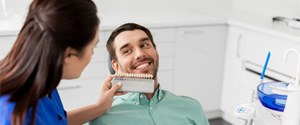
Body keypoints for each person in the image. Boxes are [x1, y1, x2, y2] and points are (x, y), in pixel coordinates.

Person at [0, 0, 122, 125]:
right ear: (69, 54)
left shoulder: (44, 83)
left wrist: (100, 107)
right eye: (92, 48)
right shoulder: (15, 114)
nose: (92, 54)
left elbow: (58, 121)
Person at [90, 23, 210, 125]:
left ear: (156, 53)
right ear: (116, 66)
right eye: (127, 51)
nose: (139, 54)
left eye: (144, 45)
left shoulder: (192, 107)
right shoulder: (101, 119)